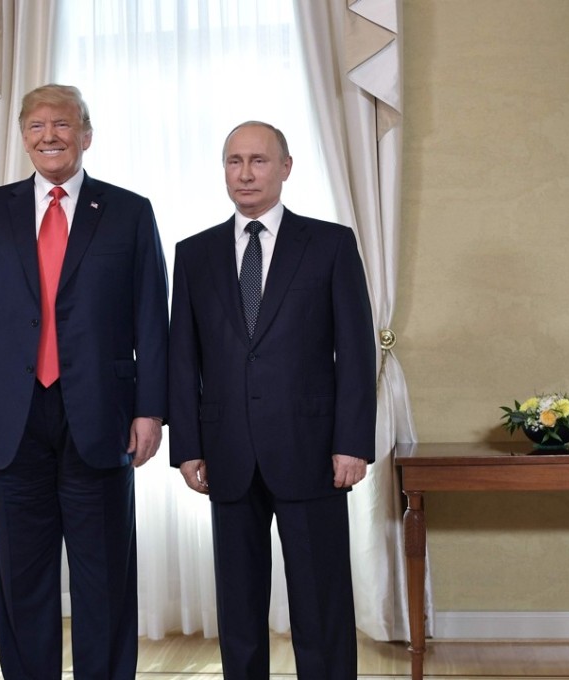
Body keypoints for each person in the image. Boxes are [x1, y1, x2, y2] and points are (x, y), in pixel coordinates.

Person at [0, 84, 169, 680]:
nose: (50, 136)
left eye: (62, 124)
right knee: (23, 577)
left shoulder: (129, 212)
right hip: (10, 418)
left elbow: (152, 318)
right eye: (37, 126)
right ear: (23, 137)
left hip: (102, 416)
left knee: (105, 575)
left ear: (85, 135)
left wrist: (151, 410)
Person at [168, 121, 376, 680]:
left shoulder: (330, 245)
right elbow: (182, 357)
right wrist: (187, 445)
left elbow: (356, 352)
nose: (245, 173)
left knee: (321, 602)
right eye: (234, 161)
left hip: (313, 450)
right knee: (238, 607)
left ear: (285, 168)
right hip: (226, 451)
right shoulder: (194, 254)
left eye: (258, 160)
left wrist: (353, 442)